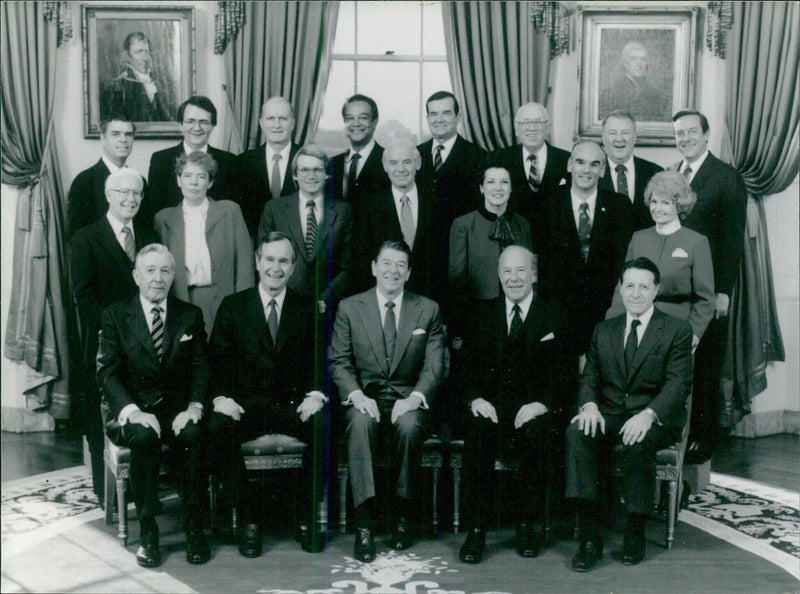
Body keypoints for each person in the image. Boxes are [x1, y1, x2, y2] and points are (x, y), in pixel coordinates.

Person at [566, 257, 693, 571]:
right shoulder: (603, 329)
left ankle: (635, 530)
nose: (636, 293)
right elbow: (590, 378)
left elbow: (678, 385)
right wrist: (589, 406)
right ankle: (590, 537)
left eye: (644, 287)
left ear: (656, 290)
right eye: (630, 286)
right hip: (609, 412)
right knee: (577, 432)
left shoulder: (677, 330)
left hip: (654, 417)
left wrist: (648, 415)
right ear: (621, 289)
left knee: (638, 441)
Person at [207, 232, 327, 557]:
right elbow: (215, 362)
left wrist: (315, 394)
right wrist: (222, 398)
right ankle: (249, 519)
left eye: (284, 261)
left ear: (293, 267)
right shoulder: (233, 306)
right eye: (270, 259)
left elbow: (319, 361)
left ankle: (305, 516)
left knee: (323, 424)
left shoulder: (306, 308)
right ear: (258, 262)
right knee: (218, 427)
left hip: (292, 406)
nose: (276, 267)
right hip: (244, 407)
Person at [97, 243, 211, 568]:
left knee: (191, 435)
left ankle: (194, 527)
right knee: (145, 438)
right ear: (136, 276)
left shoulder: (190, 315)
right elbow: (106, 373)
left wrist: (193, 407)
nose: (157, 278)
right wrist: (133, 411)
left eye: (164, 271)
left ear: (173, 276)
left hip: (177, 410)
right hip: (132, 409)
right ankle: (148, 530)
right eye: (150, 270)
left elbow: (202, 367)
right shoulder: (116, 315)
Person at [330, 240, 444, 562]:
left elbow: (435, 365)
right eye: (386, 263)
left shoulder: (428, 309)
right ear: (373, 268)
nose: (392, 271)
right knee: (360, 421)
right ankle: (364, 526)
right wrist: (355, 394)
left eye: (400, 266)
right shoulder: (350, 307)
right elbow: (339, 362)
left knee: (408, 427)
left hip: (407, 397)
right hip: (365, 394)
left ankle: (404, 517)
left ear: (408, 273)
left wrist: (415, 398)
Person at [457, 246, 568, 564]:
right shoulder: (481, 312)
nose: (514, 277)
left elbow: (565, 374)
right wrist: (475, 399)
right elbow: (465, 369)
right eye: (507, 271)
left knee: (536, 435)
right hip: (492, 406)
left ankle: (527, 525)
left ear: (533, 274)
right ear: (498, 275)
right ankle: (476, 529)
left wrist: (543, 404)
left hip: (534, 409)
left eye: (521, 270)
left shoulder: (554, 314)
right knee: (478, 431)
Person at [69, 168, 159, 504]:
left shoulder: (149, 235)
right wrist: (117, 331)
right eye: (123, 192)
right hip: (104, 340)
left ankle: (144, 484)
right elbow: (84, 298)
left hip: (147, 341)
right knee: (103, 412)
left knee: (140, 407)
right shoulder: (86, 238)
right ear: (109, 195)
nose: (130, 199)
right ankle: (104, 488)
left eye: (136, 193)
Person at [671, 109, 747, 463]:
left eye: (691, 132)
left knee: (705, 364)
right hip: (675, 290)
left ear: (705, 134)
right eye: (679, 133)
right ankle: (677, 432)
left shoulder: (726, 177)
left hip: (708, 292)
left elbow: (732, 241)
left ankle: (702, 438)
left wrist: (723, 292)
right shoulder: (671, 176)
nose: (684, 138)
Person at [538, 140, 633, 360]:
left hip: (606, 313)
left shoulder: (620, 206)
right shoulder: (546, 203)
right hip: (557, 314)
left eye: (594, 164)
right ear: (570, 165)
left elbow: (622, 262)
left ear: (602, 170)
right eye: (580, 162)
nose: (586, 170)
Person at [607, 170, 715, 349]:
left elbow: (705, 298)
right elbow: (622, 288)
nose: (658, 208)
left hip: (677, 327)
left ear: (679, 206)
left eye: (665, 203)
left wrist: (693, 334)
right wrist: (611, 324)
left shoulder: (696, 242)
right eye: (654, 202)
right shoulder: (638, 237)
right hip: (636, 325)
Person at [154, 152, 253, 336]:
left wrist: (243, 307)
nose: (194, 183)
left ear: (210, 182)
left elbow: (245, 265)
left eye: (201, 177)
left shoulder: (229, 211)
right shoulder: (163, 219)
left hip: (225, 300)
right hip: (182, 301)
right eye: (188, 176)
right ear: (178, 180)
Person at [257, 145, 352, 313]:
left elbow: (348, 266)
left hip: (326, 308)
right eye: (304, 170)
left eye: (317, 170)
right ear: (295, 175)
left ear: (326, 175)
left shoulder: (343, 211)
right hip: (284, 305)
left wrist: (325, 298)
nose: (311, 176)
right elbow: (265, 260)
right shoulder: (274, 209)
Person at [353, 139, 445, 303]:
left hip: (430, 300)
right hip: (384, 299)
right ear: (385, 166)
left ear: (418, 163)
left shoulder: (438, 203)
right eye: (394, 163)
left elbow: (444, 261)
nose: (400, 169)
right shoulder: (368, 206)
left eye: (407, 162)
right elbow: (362, 262)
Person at [448, 163, 533, 339]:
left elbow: (531, 273)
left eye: (504, 182)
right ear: (481, 188)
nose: (498, 188)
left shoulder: (523, 224)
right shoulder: (463, 225)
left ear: (511, 188)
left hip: (517, 314)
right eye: (491, 182)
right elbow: (457, 281)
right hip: (478, 317)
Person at [143, 96, 237, 226]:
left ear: (213, 126)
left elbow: (232, 214)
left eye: (204, 122)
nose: (197, 128)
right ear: (181, 125)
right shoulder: (160, 160)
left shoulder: (230, 161)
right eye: (190, 121)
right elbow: (155, 210)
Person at [491, 102, 570, 243]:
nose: (532, 128)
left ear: (548, 127)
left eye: (538, 122)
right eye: (525, 122)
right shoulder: (499, 159)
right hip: (512, 239)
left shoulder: (567, 160)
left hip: (556, 242)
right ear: (516, 128)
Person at [416, 91, 488, 229]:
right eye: (434, 114)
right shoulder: (416, 154)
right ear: (427, 118)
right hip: (422, 244)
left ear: (458, 117)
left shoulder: (478, 156)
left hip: (462, 241)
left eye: (446, 113)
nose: (439, 119)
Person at [67, 113, 147, 237]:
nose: (123, 140)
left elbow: (142, 228)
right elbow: (76, 236)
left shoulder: (139, 180)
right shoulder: (84, 181)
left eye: (128, 134)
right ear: (103, 139)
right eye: (115, 134)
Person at [236, 97, 301, 237]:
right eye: (270, 118)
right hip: (256, 246)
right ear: (261, 123)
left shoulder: (306, 160)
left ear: (293, 123)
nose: (276, 125)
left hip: (297, 249)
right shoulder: (243, 162)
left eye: (283, 118)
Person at [599, 110, 663, 231]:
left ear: (635, 137)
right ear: (603, 138)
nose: (619, 139)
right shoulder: (593, 173)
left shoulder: (655, 173)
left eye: (625, 133)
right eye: (612, 133)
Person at [329, 94, 389, 208]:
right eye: (350, 118)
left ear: (374, 122)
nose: (356, 123)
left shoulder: (390, 161)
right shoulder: (331, 164)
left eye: (363, 118)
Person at [101, 32, 170, 122]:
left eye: (147, 52)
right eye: (138, 52)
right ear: (127, 56)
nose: (145, 58)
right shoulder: (116, 87)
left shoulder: (159, 84)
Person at [600, 41, 670, 122]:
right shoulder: (610, 94)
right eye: (634, 59)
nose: (639, 64)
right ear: (625, 63)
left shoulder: (657, 97)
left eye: (643, 59)